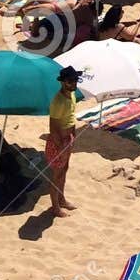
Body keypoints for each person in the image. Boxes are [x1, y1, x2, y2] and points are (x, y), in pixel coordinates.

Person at [46, 64, 81, 217]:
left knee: (65, 170)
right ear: (62, 82)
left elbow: (71, 119)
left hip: (68, 139)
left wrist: (72, 138)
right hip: (58, 141)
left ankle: (61, 199)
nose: (73, 83)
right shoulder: (58, 101)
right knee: (57, 175)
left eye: (75, 80)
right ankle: (55, 207)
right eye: (70, 81)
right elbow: (53, 127)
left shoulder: (72, 95)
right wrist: (60, 146)